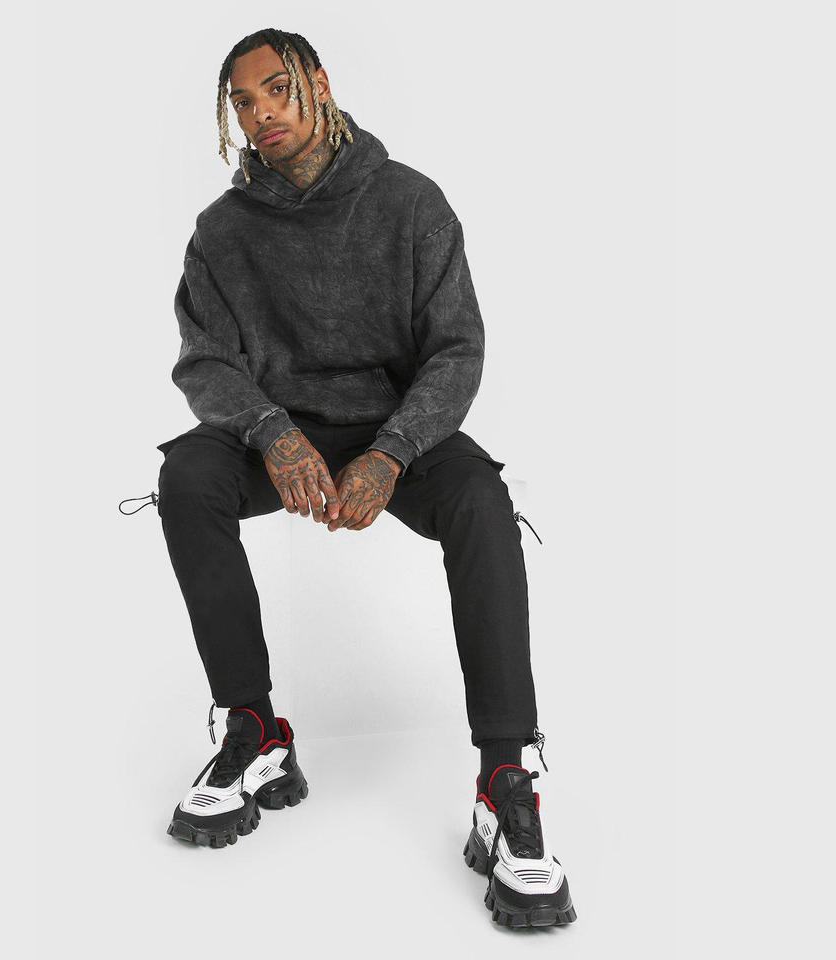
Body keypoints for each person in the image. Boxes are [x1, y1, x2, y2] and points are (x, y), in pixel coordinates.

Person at [154, 28, 576, 929]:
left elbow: (456, 351)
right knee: (188, 475)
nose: (260, 114)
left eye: (275, 89)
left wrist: (391, 451)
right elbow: (204, 361)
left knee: (481, 498)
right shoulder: (221, 233)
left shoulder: (410, 203)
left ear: (318, 82)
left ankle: (505, 775)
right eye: (242, 102)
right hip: (278, 433)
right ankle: (253, 729)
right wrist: (272, 432)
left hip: (395, 430)